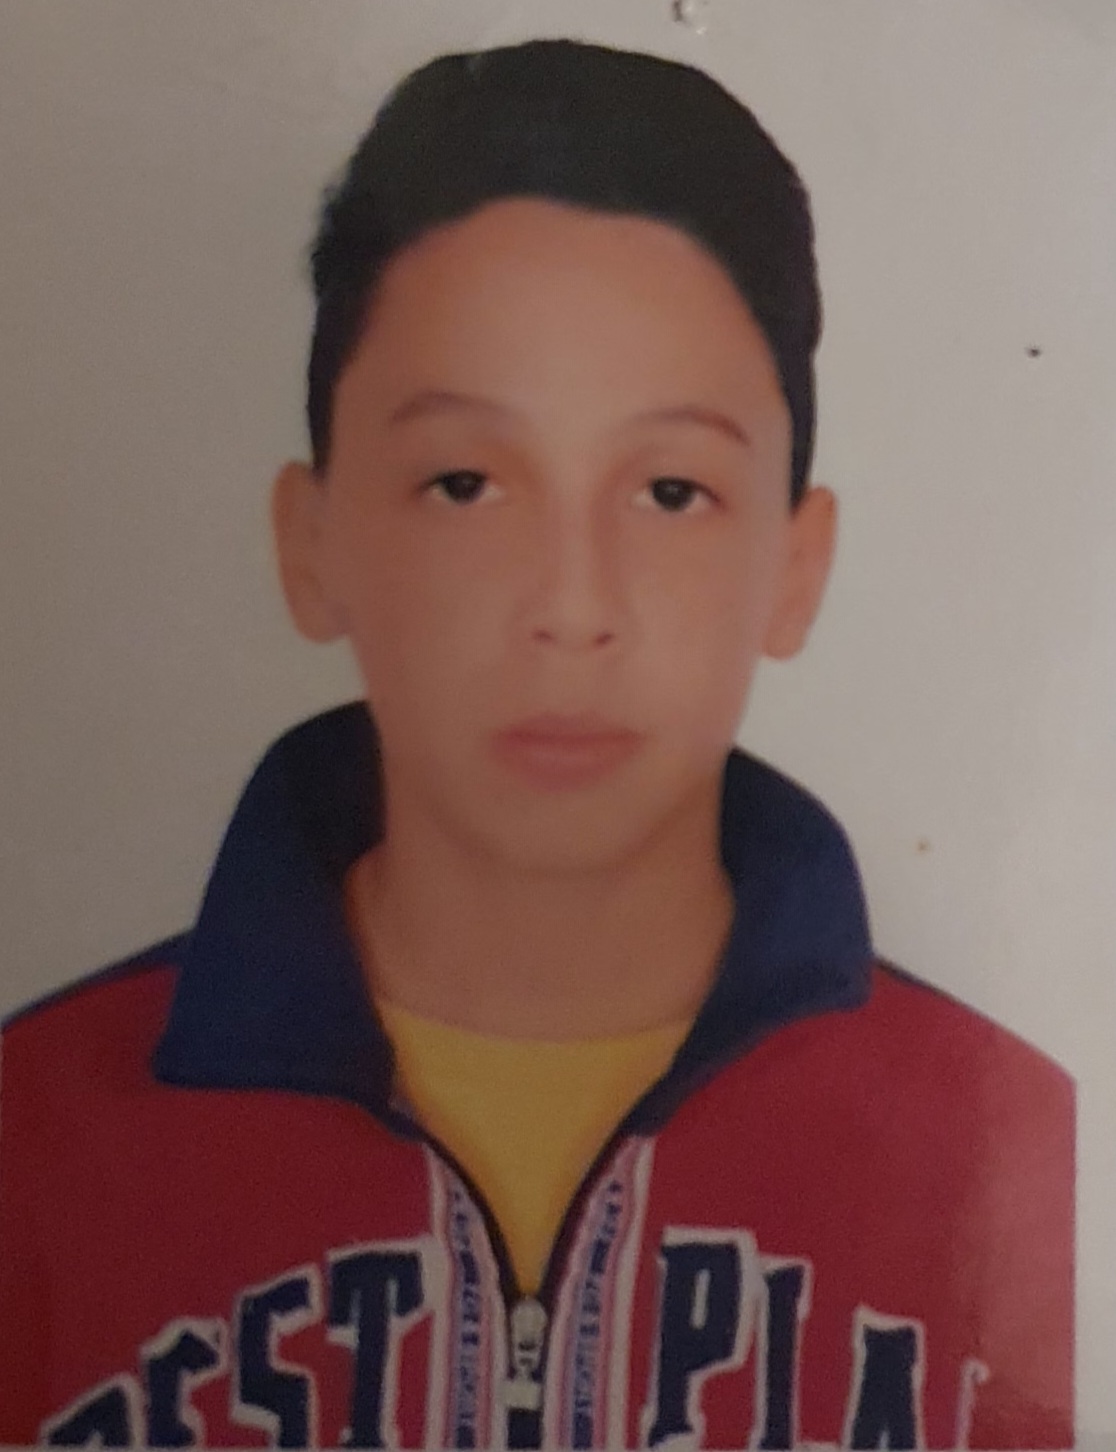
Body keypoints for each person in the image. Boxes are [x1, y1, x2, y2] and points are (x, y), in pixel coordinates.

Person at [0, 37, 1073, 1450]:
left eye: (671, 492)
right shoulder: (29, 1141)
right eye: (465, 483)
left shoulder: (1032, 1155)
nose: (570, 607)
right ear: (312, 543)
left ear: (796, 566)